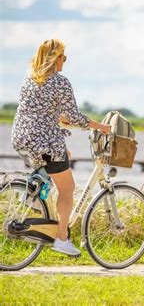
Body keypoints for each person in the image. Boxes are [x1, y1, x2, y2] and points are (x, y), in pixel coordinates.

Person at [11, 39, 111, 256]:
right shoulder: (60, 82)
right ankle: (61, 239)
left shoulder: (29, 79)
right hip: (44, 140)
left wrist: (62, 122)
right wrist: (100, 126)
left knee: (59, 158)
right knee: (67, 187)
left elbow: (46, 112)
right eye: (63, 57)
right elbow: (74, 116)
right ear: (55, 58)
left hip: (21, 138)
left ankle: (32, 199)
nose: (64, 61)